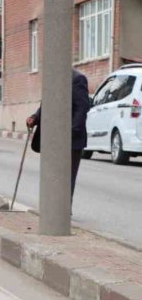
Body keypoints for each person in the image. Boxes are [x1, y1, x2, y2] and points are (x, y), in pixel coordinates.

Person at [25, 69, 91, 205]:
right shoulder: (53, 77)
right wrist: (34, 118)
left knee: (67, 177)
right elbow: (46, 105)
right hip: (54, 137)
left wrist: (70, 133)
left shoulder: (77, 79)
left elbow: (82, 108)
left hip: (71, 139)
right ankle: (51, 206)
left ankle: (65, 208)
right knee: (53, 175)